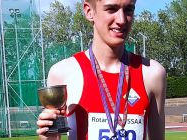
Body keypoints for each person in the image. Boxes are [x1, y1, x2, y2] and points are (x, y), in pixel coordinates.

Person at [36, 0, 166, 139]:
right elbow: (53, 135)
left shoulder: (153, 74)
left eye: (128, 9)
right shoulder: (62, 73)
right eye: (111, 9)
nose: (121, 20)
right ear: (89, 11)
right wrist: (49, 137)